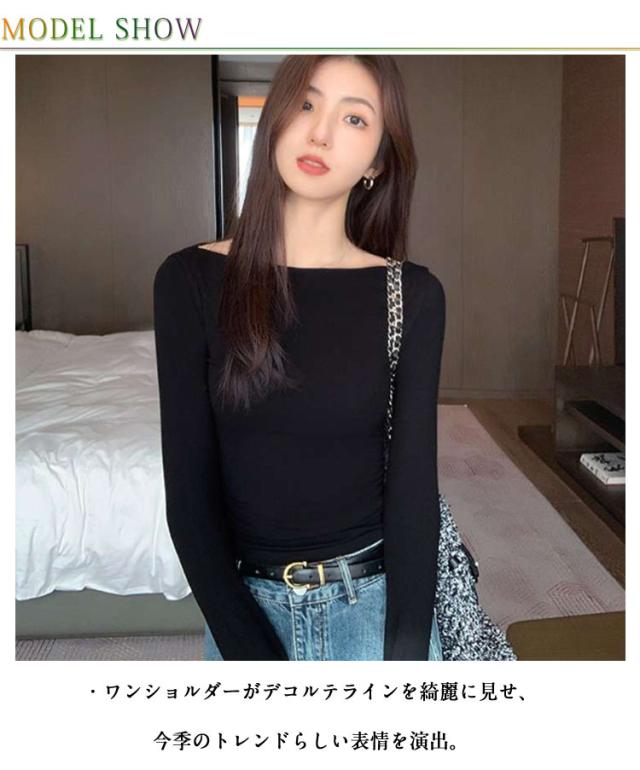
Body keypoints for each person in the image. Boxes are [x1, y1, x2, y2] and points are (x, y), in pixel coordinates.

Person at [153, 54, 446, 661]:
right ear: (276, 120)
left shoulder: (411, 294)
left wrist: (407, 658)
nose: (320, 133)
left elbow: (414, 490)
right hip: (244, 613)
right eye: (306, 104)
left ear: (378, 161)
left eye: (354, 119)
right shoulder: (188, 280)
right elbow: (188, 500)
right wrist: (251, 654)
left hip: (372, 605)